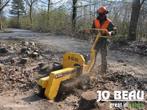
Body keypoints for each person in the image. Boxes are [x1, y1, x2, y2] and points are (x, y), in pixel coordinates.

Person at [92, 6, 116, 74]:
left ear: (105, 14)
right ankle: (90, 68)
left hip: (104, 41)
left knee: (103, 56)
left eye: (102, 14)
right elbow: (93, 30)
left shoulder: (109, 22)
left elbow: (114, 30)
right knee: (93, 55)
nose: (101, 16)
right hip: (96, 40)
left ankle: (103, 71)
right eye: (100, 14)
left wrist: (110, 33)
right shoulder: (95, 21)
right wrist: (90, 32)